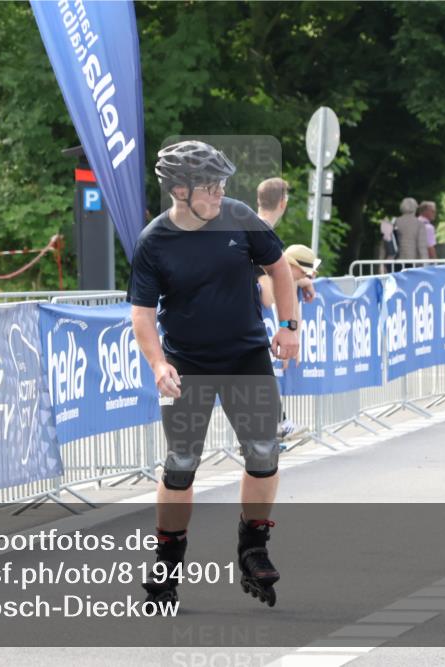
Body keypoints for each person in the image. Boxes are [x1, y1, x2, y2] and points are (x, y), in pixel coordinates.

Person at [129, 140, 300, 607]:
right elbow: (142, 315)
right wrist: (159, 363)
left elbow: (279, 268)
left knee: (264, 451)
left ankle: (253, 548)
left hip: (247, 357)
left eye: (223, 184)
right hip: (188, 364)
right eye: (211, 187)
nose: (220, 194)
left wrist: (288, 327)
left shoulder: (239, 217)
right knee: (181, 464)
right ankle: (167, 561)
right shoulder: (154, 242)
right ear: (180, 191)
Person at [256, 178, 311, 441]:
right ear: (283, 203)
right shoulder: (260, 232)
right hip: (241, 319)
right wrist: (298, 281)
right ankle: (273, 426)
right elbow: (267, 296)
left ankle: (268, 430)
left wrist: (300, 281)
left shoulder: (252, 226)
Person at [393, 197, 429, 265]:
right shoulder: (419, 224)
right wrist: (425, 264)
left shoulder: (395, 222)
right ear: (414, 208)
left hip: (396, 261)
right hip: (413, 261)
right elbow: (422, 247)